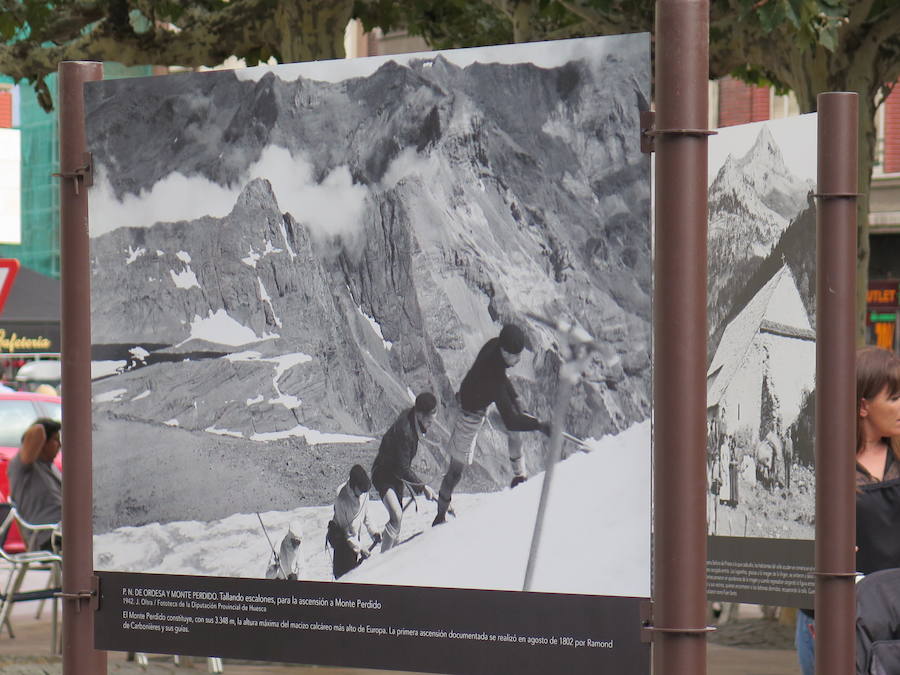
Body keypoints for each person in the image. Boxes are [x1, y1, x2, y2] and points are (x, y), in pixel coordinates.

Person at [796, 346, 900, 675]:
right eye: (894, 398)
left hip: (894, 622)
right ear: (863, 405)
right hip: (833, 621)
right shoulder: (822, 465)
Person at [433, 324, 551, 526]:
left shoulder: (494, 346)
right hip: (469, 415)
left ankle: (519, 477)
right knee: (455, 472)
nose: (519, 360)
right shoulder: (492, 378)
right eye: (516, 355)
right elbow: (511, 420)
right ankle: (440, 516)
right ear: (505, 352)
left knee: (515, 431)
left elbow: (501, 376)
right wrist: (540, 425)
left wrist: (515, 397)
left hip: (480, 401)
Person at [371, 393, 439, 552]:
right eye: (429, 421)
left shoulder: (413, 417)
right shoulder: (405, 432)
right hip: (383, 474)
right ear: (420, 415)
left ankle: (391, 553)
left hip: (395, 475)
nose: (430, 425)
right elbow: (403, 468)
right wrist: (423, 488)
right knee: (396, 516)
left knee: (397, 522)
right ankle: (382, 561)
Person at [6, 418, 62, 550]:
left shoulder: (51, 467)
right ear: (43, 442)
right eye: (55, 439)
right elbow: (38, 431)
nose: (59, 445)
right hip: (47, 538)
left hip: (63, 532)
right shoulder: (22, 466)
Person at [327, 465, 381, 579]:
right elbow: (346, 533)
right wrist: (361, 548)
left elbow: (367, 516)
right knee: (344, 577)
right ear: (353, 484)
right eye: (360, 490)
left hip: (355, 540)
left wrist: (374, 532)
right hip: (343, 543)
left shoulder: (363, 493)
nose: (362, 493)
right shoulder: (342, 499)